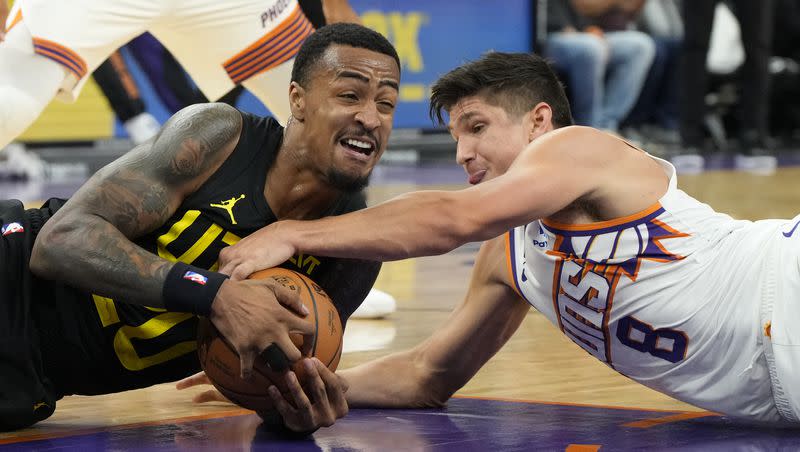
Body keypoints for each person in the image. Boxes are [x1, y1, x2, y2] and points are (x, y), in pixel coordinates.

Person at [194, 51, 799, 424]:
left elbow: (452, 219)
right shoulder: (508, 254)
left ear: (540, 119)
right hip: (775, 392)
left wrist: (293, 232)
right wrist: (294, 380)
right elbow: (427, 375)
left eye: (477, 127)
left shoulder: (579, 147)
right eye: (456, 135)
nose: (463, 153)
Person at [0, 23, 401, 432]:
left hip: (28, 386)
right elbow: (59, 240)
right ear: (297, 100)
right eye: (349, 96)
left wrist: (296, 408)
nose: (370, 118)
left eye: (386, 104)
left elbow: (285, 380)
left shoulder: (353, 248)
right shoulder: (220, 137)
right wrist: (215, 294)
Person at [543, 0, 654, 133]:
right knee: (592, 48)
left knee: (640, 45)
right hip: (548, 35)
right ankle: (589, 127)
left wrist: (590, 29)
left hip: (581, 32)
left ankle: (606, 125)